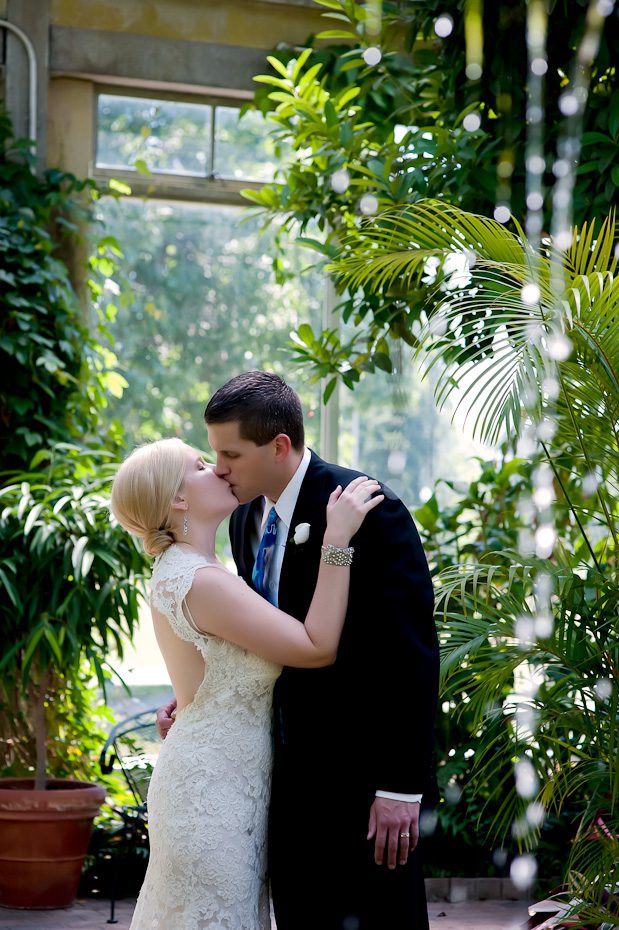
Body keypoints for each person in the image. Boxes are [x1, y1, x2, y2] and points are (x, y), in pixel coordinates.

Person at [158, 371, 439, 930]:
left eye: (230, 453)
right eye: (214, 453)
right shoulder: (242, 520)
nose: (219, 468)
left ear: (279, 445)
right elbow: (251, 633)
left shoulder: (367, 510)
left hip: (362, 786)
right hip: (282, 782)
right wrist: (197, 696)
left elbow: (410, 657)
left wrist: (400, 786)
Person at [110, 436, 382, 930]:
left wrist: (188, 701)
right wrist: (336, 543)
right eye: (200, 464)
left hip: (227, 781)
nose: (219, 469)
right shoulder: (201, 580)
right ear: (176, 497)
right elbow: (315, 647)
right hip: (212, 793)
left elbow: (206, 674)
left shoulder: (192, 569)